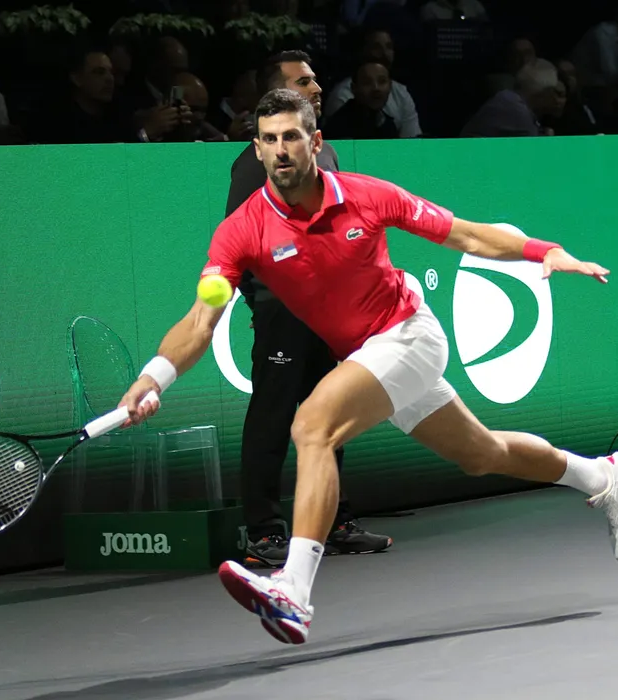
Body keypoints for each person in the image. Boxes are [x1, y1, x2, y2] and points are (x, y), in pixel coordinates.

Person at [119, 88, 618, 646]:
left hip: (408, 336)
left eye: (292, 136)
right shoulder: (242, 230)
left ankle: (293, 590)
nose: (281, 149)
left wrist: (545, 250)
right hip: (367, 356)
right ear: (257, 149)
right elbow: (200, 322)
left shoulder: (367, 196)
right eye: (269, 140)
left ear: (315, 141)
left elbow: (466, 233)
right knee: (481, 454)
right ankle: (603, 477)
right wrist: (153, 378)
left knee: (312, 425)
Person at [225, 50, 392, 568]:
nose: (317, 88)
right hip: (282, 311)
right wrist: (268, 300)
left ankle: (333, 520)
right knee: (273, 417)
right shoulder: (252, 165)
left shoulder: (328, 152)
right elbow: (241, 242)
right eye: (303, 82)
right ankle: (263, 530)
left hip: (328, 313)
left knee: (331, 414)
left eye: (315, 80)